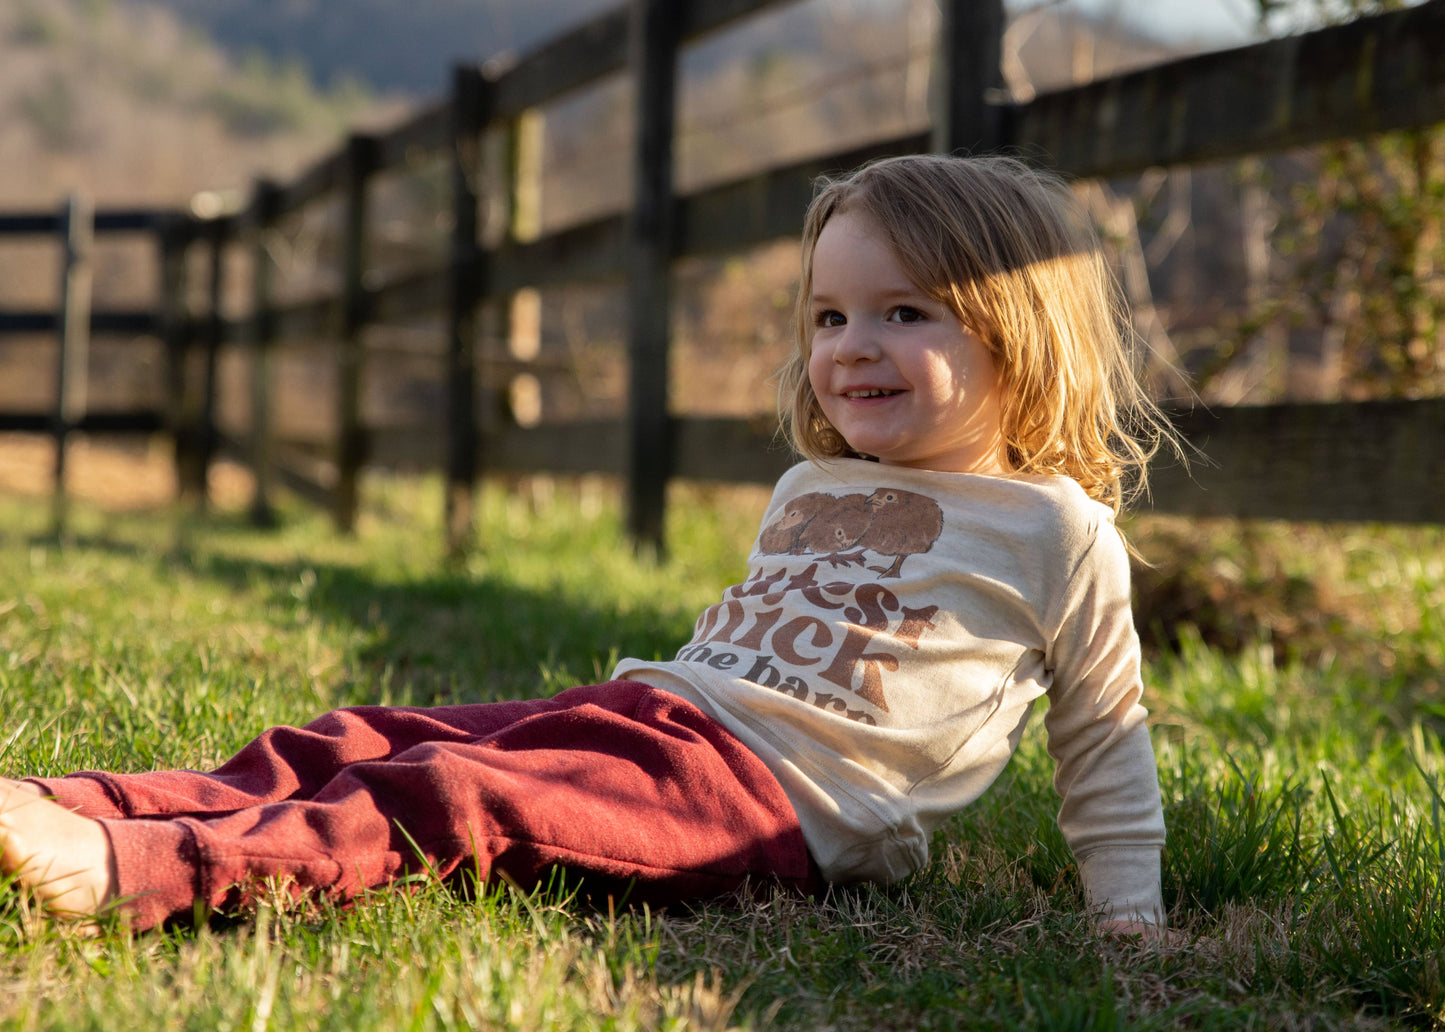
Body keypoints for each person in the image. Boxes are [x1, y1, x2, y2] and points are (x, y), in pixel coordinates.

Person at [0, 153, 1177, 939]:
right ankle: (79, 804)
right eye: (828, 315)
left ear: (1015, 336)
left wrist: (1126, 921)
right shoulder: (811, 485)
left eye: (902, 313)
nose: (850, 346)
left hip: (778, 806)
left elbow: (1103, 741)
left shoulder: (1056, 531)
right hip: (661, 718)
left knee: (454, 796)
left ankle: (130, 872)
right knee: (364, 735)